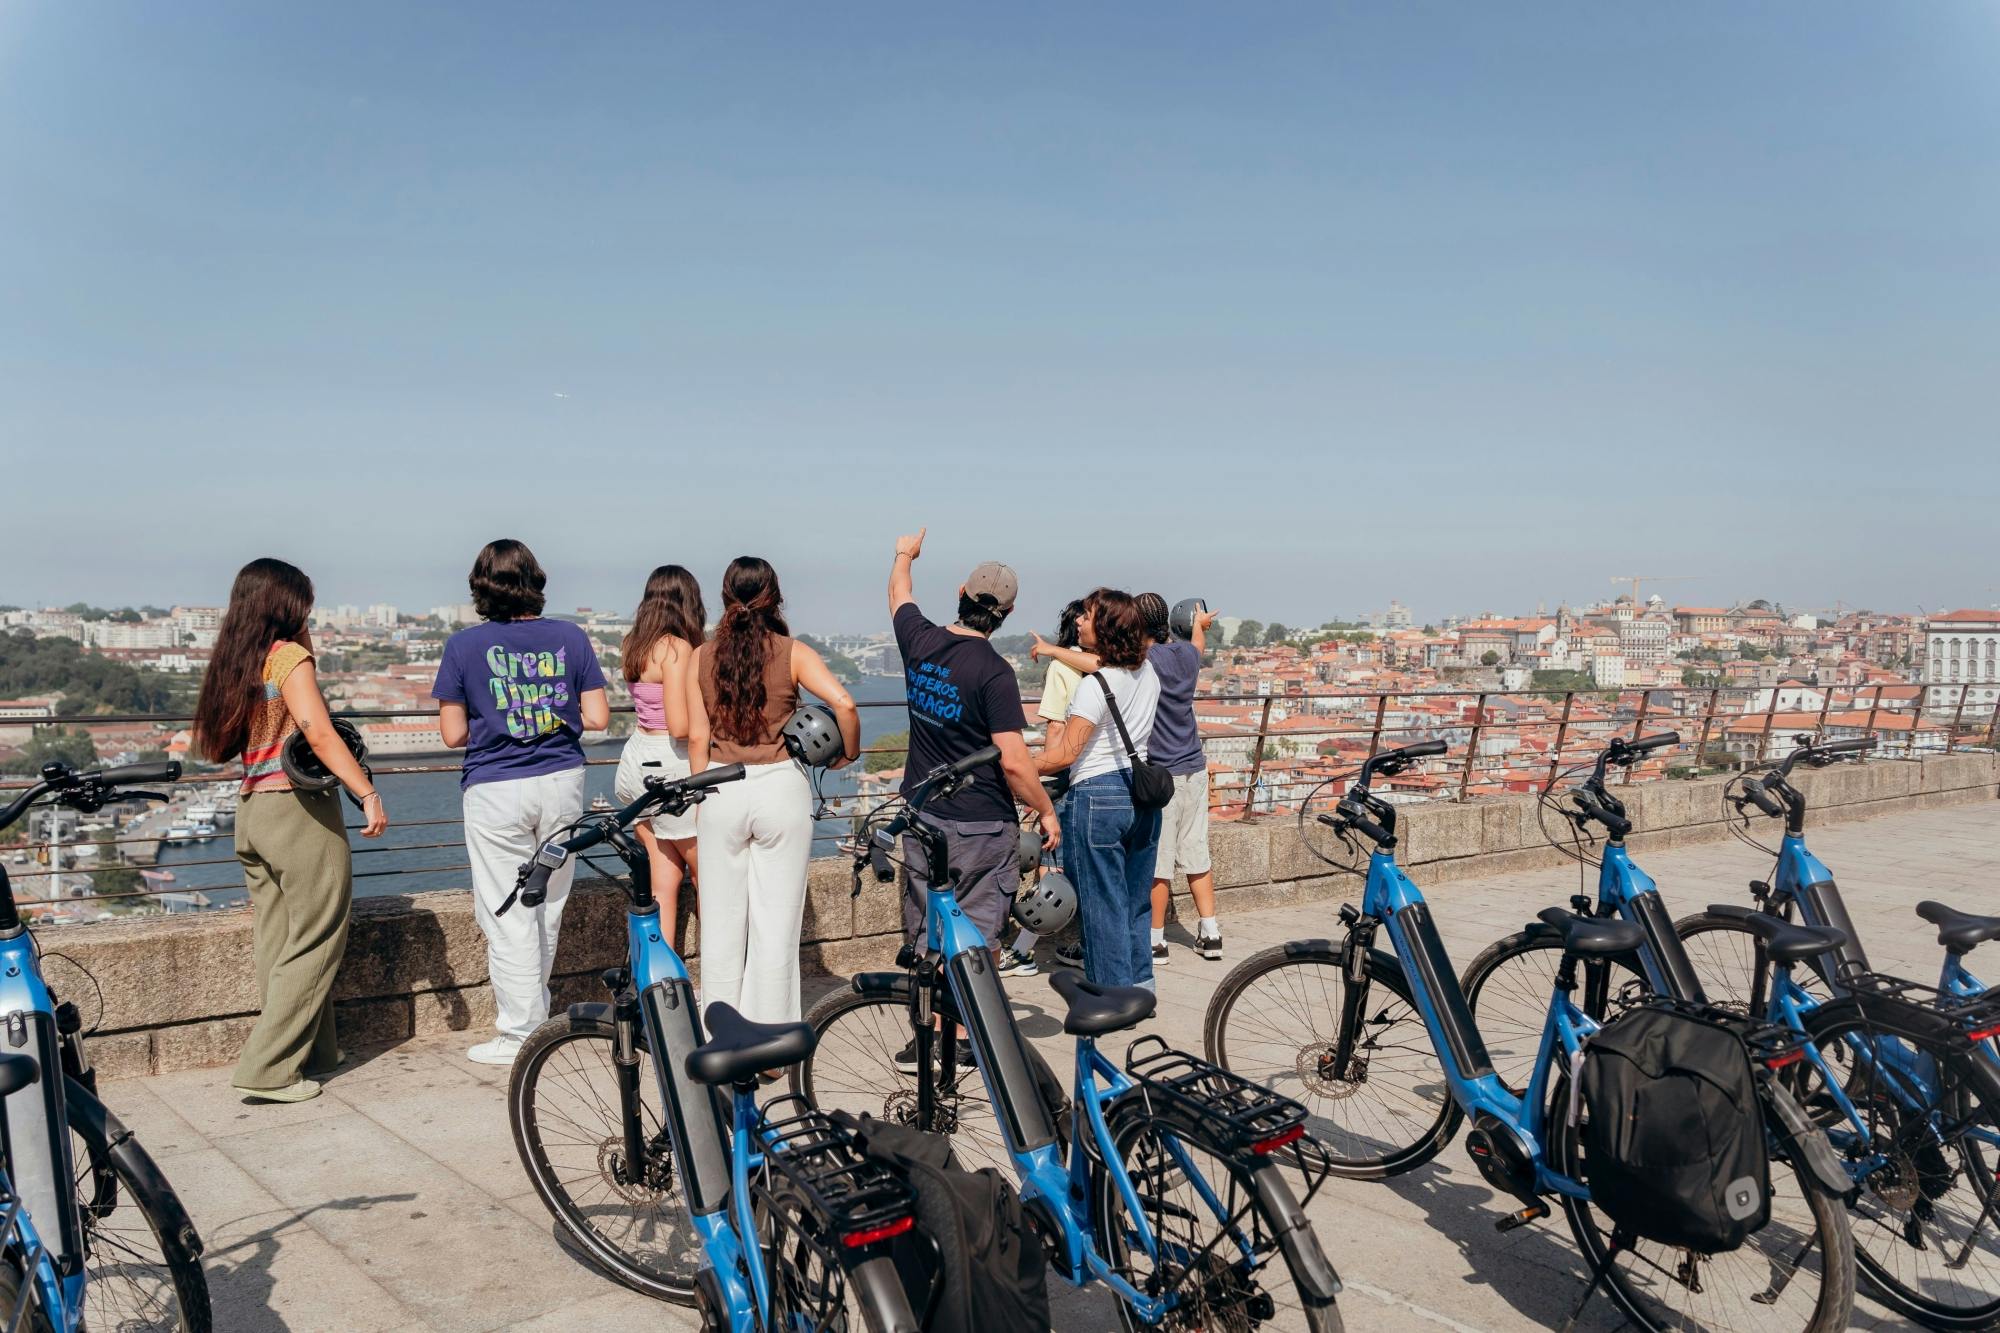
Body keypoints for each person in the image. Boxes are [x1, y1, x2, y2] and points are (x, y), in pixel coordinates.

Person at [194, 558, 388, 1103]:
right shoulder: (288, 658)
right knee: (319, 936)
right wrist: (365, 791)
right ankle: (269, 1068)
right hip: (298, 812)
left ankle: (314, 1052)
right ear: (288, 607)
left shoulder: (239, 662)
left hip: (252, 810)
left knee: (277, 939)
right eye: (304, 605)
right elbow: (317, 731)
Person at [434, 539, 609, 1065]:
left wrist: (499, 719)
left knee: (507, 909)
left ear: (481, 587)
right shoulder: (570, 637)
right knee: (548, 903)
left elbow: (451, 734)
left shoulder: (463, 646)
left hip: (496, 786)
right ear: (535, 580)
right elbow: (598, 718)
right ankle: (539, 1020)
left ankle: (520, 1034)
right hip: (561, 780)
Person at [887, 530, 1059, 1026]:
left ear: (961, 594)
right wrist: (1046, 810)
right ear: (1006, 613)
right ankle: (965, 1037)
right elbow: (1014, 762)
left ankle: (928, 1033)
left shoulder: (919, 639)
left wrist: (905, 553)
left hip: (923, 817)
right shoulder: (995, 672)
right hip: (981, 823)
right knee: (977, 938)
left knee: (927, 933)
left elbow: (899, 592)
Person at [688, 556, 860, 1028]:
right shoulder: (793, 652)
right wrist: (846, 754)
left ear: (726, 597)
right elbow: (844, 704)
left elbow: (698, 737)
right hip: (780, 787)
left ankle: (719, 1032)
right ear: (775, 598)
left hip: (719, 785)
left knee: (720, 925)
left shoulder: (701, 657)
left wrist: (702, 798)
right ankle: (771, 1037)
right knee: (776, 926)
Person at [1034, 589, 1162, 991]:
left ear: (1104, 628)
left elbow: (1065, 754)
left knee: (1101, 905)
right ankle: (1141, 987)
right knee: (1135, 900)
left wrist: (1015, 763)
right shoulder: (1148, 673)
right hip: (1141, 794)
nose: (1078, 621)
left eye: (1086, 616)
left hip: (1098, 795)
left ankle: (1113, 996)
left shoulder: (1096, 685)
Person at [614, 565, 705, 948]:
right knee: (708, 876)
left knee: (662, 879)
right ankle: (723, 971)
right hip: (670, 762)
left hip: (636, 759)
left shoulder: (632, 643)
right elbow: (680, 726)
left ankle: (660, 974)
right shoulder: (676, 648)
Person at [999, 595, 1087, 978]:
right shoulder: (1106, 665)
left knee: (1051, 864)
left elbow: (1054, 728)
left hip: (1066, 773)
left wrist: (1039, 783)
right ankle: (1080, 945)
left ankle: (1023, 951)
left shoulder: (1062, 667)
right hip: (1095, 774)